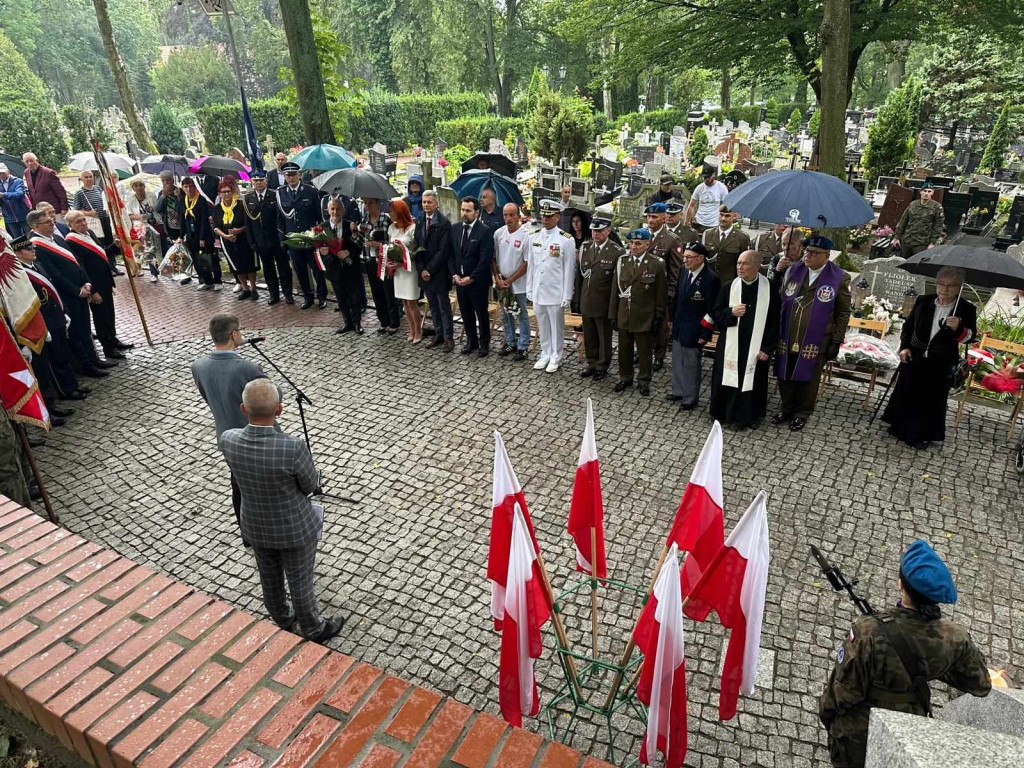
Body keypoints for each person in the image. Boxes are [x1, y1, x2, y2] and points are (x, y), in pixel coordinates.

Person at [819, 539, 992, 768]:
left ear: (901, 584)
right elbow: (980, 684)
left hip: (860, 734)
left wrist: (828, 718)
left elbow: (841, 693)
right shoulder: (956, 638)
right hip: (909, 728)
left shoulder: (868, 631)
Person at [219, 379, 344, 642]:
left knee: (269, 575)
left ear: (243, 408)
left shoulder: (228, 440)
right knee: (300, 580)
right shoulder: (293, 447)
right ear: (279, 410)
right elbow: (310, 486)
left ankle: (282, 618)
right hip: (294, 528)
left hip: (255, 524)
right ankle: (314, 629)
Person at [191, 314, 270, 545]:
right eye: (240, 330)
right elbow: (272, 397)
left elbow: (207, 397)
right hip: (255, 435)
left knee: (238, 484)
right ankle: (267, 530)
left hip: (226, 435)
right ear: (234, 335)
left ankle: (246, 534)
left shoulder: (198, 366)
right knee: (264, 484)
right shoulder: (246, 367)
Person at [882, 267, 976, 448]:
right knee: (907, 392)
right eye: (941, 284)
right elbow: (908, 327)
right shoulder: (923, 301)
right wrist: (904, 347)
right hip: (915, 356)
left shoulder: (966, 309)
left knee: (930, 399)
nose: (945, 289)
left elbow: (969, 338)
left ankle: (921, 435)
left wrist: (960, 328)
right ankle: (899, 427)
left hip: (941, 362)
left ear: (959, 287)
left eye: (951, 286)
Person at [774, 234, 851, 432]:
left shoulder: (839, 277)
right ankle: (786, 407)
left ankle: (802, 412)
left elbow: (843, 312)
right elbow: (780, 298)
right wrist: (778, 273)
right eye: (807, 251)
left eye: (814, 253)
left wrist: (837, 339)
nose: (807, 256)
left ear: (826, 255)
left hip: (817, 338)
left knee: (809, 376)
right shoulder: (793, 270)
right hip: (788, 333)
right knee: (785, 372)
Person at [28, 210, 116, 375]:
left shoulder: (58, 238)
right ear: (35, 226)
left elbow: (76, 262)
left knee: (85, 328)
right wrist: (77, 291)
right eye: (47, 222)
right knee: (76, 332)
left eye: (51, 220)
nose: (52, 223)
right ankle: (86, 366)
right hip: (69, 295)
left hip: (82, 290)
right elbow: (54, 274)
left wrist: (87, 282)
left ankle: (94, 359)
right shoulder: (37, 246)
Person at [11, 234, 88, 405]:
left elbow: (53, 293)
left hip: (56, 316)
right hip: (44, 322)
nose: (33, 250)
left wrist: (64, 311)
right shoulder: (21, 275)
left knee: (63, 353)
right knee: (53, 361)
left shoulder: (37, 266)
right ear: (17, 254)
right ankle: (64, 391)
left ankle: (72, 385)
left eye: (32, 247)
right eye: (28, 249)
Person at [709, 250, 779, 428]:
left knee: (752, 381)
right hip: (730, 346)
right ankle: (722, 414)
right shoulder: (728, 287)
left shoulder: (769, 289)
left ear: (757, 266)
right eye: (738, 263)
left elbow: (775, 321)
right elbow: (716, 313)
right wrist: (730, 312)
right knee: (726, 377)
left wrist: (767, 348)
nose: (740, 267)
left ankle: (748, 416)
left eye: (745, 264)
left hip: (756, 348)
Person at [65, 211, 132, 361]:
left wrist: (114, 247)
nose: (83, 223)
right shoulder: (71, 241)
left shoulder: (89, 233)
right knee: (101, 317)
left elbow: (101, 253)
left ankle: (113, 339)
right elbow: (80, 268)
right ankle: (108, 347)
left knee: (110, 313)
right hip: (94, 284)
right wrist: (92, 291)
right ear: (70, 225)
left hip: (105, 280)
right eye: (78, 222)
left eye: (83, 220)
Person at [610, 228, 667, 397]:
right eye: (631, 243)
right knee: (624, 350)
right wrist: (613, 315)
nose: (633, 247)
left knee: (644, 352)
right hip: (624, 314)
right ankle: (625, 377)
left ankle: (644, 380)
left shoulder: (656, 264)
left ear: (647, 245)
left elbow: (660, 293)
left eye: (638, 243)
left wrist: (658, 315)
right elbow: (615, 291)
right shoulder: (622, 262)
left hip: (644, 316)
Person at [668, 242, 721, 408]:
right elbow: (677, 297)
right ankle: (678, 390)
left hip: (695, 327)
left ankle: (690, 397)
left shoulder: (711, 279)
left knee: (691, 364)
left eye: (689, 257)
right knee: (677, 359)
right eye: (684, 256)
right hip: (679, 323)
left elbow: (712, 309)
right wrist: (671, 318)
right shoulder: (684, 271)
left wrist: (705, 333)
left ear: (700, 258)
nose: (685, 260)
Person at [527, 199, 576, 373]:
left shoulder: (565, 240)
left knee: (556, 326)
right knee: (542, 324)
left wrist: (567, 295)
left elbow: (569, 270)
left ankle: (556, 356)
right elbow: (532, 266)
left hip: (555, 291)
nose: (545, 219)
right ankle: (545, 353)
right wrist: (530, 289)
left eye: (549, 216)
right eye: (543, 216)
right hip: (539, 291)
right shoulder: (534, 237)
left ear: (557, 217)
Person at [576, 216, 624, 380]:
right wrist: (577, 300)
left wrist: (613, 308)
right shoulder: (586, 247)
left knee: (604, 337)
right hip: (587, 299)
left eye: (600, 230)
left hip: (603, 303)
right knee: (589, 334)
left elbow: (616, 284)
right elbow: (579, 277)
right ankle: (591, 362)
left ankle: (602, 365)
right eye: (594, 230)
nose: (596, 234)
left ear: (608, 231)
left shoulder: (617, 252)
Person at [448, 195, 494, 356]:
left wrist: (471, 277)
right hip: (460, 280)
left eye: (468, 211)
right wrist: (454, 275)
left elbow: (485, 259)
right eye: (462, 210)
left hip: (477, 281)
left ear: (476, 213)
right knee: (466, 312)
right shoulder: (455, 229)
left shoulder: (485, 231)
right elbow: (451, 255)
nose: (464, 213)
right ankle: (471, 340)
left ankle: (484, 343)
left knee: (481, 313)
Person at [277, 162, 326, 309]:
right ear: (284, 177)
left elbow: (319, 216)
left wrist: (320, 237)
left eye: (293, 175)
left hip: (310, 238)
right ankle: (308, 297)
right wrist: (283, 240)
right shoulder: (280, 193)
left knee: (317, 269)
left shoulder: (310, 191)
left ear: (299, 175)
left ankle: (322, 296)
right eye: (287, 175)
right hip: (293, 239)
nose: (291, 178)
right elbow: (280, 219)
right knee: (300, 271)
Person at [645, 202, 684, 372]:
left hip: (661, 291)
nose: (650, 220)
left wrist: (671, 293)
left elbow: (675, 270)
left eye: (654, 217)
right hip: (643, 289)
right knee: (643, 324)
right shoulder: (643, 234)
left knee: (661, 327)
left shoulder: (671, 239)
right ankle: (642, 352)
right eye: (648, 217)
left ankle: (659, 356)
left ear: (663, 218)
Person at [244, 171, 293, 305]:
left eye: (261, 180)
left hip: (276, 240)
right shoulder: (248, 199)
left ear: (266, 181)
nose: (258, 183)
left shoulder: (274, 195)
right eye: (256, 181)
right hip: (261, 242)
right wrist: (252, 241)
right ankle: (274, 294)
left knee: (284, 268)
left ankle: (288, 294)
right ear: (252, 182)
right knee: (268, 269)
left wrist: (283, 238)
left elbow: (281, 218)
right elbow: (248, 223)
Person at [415, 190, 454, 351]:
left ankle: (448, 338)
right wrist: (421, 269)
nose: (426, 205)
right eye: (424, 202)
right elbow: (417, 246)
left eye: (429, 202)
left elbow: (443, 251)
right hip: (425, 273)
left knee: (443, 307)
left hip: (438, 273)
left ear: (436, 204)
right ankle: (438, 335)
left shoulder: (443, 223)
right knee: (432, 306)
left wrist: (429, 270)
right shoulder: (420, 220)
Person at [493, 203, 531, 360]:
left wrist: (510, 280)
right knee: (505, 313)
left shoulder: (526, 236)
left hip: (518, 284)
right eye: (505, 215)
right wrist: (497, 277)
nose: (508, 219)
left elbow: (526, 263)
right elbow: (493, 258)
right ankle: (510, 341)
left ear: (518, 216)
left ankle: (523, 346)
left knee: (521, 314)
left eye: (511, 215)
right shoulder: (498, 234)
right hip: (501, 282)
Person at [319, 199, 363, 334]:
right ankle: (347, 322)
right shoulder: (322, 227)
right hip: (334, 269)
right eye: (332, 209)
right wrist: (322, 251)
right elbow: (318, 248)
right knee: (341, 297)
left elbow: (359, 246)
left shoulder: (351, 226)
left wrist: (348, 252)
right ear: (328, 211)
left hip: (351, 268)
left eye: (338, 209)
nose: (335, 212)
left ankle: (357, 323)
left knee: (355, 297)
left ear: (343, 210)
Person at [213, 180, 259, 301]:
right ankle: (245, 289)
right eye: (223, 192)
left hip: (244, 239)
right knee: (237, 266)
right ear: (219, 194)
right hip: (227, 241)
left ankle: (253, 288)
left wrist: (239, 230)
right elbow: (216, 226)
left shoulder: (240, 205)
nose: (226, 194)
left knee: (249, 265)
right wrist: (225, 236)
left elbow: (248, 223)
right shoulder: (217, 208)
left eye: (228, 191)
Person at [360, 197, 400, 333]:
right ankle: (383, 321)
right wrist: (355, 232)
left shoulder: (386, 219)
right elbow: (360, 240)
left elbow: (393, 243)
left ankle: (394, 321)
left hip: (384, 260)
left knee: (388, 291)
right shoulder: (364, 219)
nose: (367, 206)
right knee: (376, 291)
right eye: (365, 203)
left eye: (370, 203)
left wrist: (378, 245)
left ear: (377, 204)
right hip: (369, 259)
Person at [388, 200, 421, 342]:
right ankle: (411, 329)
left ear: (400, 212)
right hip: (398, 271)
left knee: (412, 302)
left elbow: (416, 250)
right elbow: (390, 246)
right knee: (404, 302)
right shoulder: (392, 228)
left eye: (392, 212)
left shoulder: (413, 228)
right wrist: (390, 261)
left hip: (409, 269)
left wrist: (404, 261)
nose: (390, 215)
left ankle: (418, 331)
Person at [180, 177, 220, 291]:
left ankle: (217, 280)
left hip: (204, 234)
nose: (189, 189)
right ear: (183, 188)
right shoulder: (183, 201)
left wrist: (202, 237)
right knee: (197, 258)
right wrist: (181, 235)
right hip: (191, 234)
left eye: (190, 186)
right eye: (186, 187)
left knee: (210, 256)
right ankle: (206, 280)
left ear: (194, 187)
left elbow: (204, 219)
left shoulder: (201, 200)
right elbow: (182, 219)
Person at [703, 205, 751, 285]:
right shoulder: (708, 234)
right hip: (709, 282)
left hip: (730, 283)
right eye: (721, 215)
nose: (723, 219)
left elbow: (744, 264)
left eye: (727, 216)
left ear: (734, 216)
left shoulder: (742, 238)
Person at [895, 183, 945, 257]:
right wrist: (897, 237)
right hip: (907, 240)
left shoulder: (937, 207)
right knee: (902, 263)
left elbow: (938, 226)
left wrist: (932, 243)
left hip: (922, 243)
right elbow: (903, 220)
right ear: (920, 192)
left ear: (932, 193)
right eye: (924, 191)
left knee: (916, 265)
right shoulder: (913, 204)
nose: (926, 193)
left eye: (929, 191)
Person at [124, 179, 159, 282]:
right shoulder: (131, 199)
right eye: (136, 186)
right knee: (142, 250)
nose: (138, 188)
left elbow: (158, 209)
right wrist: (140, 216)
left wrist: (154, 209)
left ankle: (154, 271)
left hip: (152, 226)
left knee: (152, 250)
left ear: (144, 186)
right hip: (139, 228)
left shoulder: (151, 195)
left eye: (140, 185)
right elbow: (128, 216)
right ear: (133, 188)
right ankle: (142, 270)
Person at [71, 171, 112, 251]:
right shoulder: (79, 193)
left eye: (90, 176)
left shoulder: (98, 188)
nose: (89, 179)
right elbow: (76, 210)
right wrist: (89, 213)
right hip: (94, 223)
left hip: (104, 220)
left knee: (109, 241)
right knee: (100, 243)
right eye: (86, 177)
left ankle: (111, 260)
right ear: (81, 179)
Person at [22, 153, 68, 221]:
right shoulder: (26, 172)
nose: (29, 163)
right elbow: (31, 191)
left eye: (31, 160)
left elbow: (61, 192)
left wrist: (64, 208)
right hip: (39, 211)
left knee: (60, 229)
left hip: (54, 210)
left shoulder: (48, 173)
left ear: (37, 160)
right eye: (27, 162)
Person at [685, 164, 728, 232]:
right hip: (699, 223)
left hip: (714, 224)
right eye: (704, 177)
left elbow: (725, 206)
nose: (706, 180)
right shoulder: (699, 188)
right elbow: (691, 205)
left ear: (713, 175)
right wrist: (687, 222)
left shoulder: (721, 188)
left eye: (708, 177)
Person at [154, 172, 182, 259]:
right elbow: (157, 209)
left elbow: (182, 209)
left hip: (182, 226)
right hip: (170, 227)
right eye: (163, 180)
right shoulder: (161, 193)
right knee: (174, 250)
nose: (166, 182)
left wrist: (179, 197)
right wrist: (163, 196)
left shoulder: (180, 191)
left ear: (173, 180)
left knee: (184, 248)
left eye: (168, 180)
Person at [0, 163, 30, 238]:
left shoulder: (18, 181)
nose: (1, 175)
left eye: (2, 173)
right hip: (9, 217)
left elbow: (19, 194)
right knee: (17, 241)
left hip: (23, 214)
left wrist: (3, 195)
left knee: (30, 236)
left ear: (8, 172)